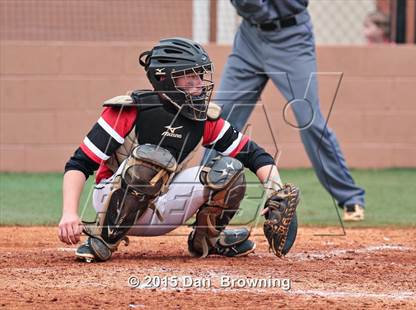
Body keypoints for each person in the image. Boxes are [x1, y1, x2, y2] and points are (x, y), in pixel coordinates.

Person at [57, 37, 300, 262]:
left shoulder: (203, 119)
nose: (198, 85)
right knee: (152, 160)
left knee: (229, 170)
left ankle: (207, 239)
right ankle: (104, 239)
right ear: (164, 78)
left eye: (199, 76)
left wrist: (275, 193)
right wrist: (69, 213)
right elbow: (79, 164)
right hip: (110, 202)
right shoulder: (130, 110)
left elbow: (255, 155)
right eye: (189, 77)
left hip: (161, 209)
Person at [202, 0, 365, 221]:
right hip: (250, 38)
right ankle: (202, 192)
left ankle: (350, 197)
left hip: (291, 37)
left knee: (309, 118)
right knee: (222, 114)